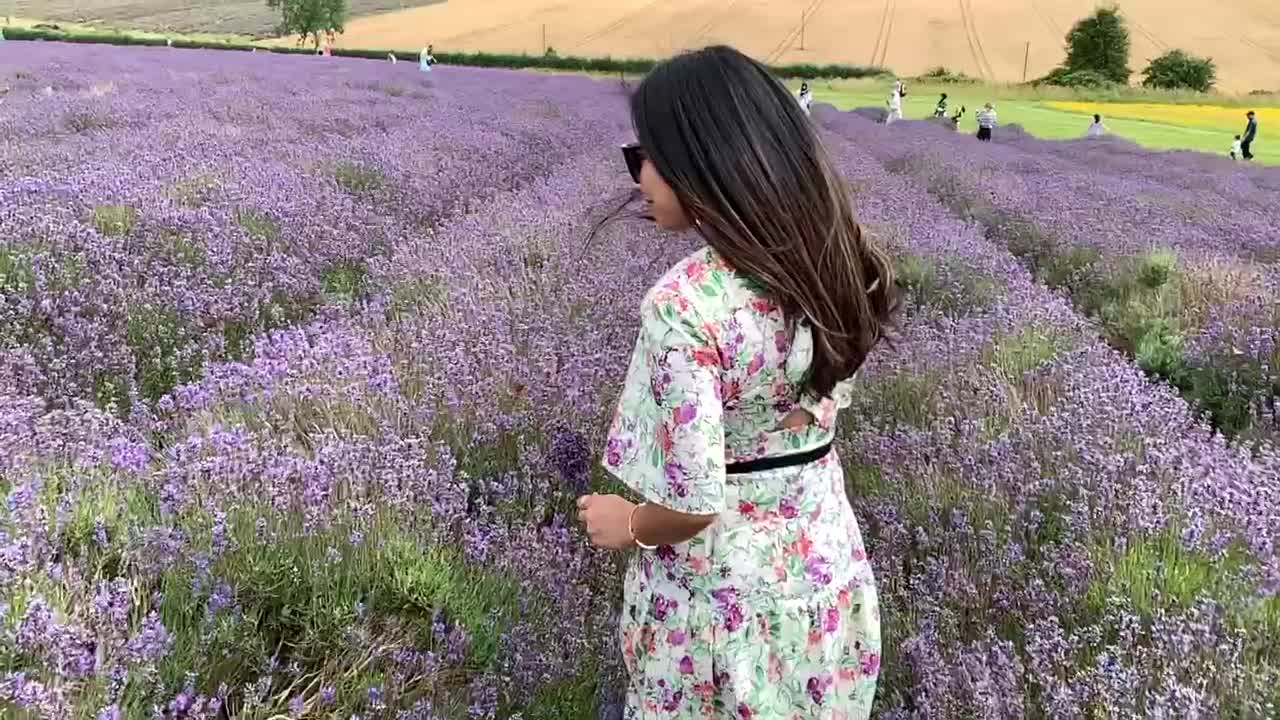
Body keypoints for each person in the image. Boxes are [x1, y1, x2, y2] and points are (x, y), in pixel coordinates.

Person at [579, 45, 893, 719]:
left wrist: (627, 523)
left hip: (716, 610)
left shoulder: (685, 305)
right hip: (823, 581)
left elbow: (695, 505)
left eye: (648, 156)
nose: (640, 178)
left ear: (704, 161)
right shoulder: (839, 263)